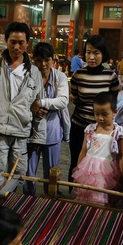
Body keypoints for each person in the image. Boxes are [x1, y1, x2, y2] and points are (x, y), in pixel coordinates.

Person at [0, 22, 42, 189]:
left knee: (17, 174)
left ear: (28, 43)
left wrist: (37, 135)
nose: (16, 46)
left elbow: (37, 104)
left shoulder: (34, 71)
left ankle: (9, 208)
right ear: (5, 41)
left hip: (21, 131)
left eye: (21, 42)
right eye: (12, 41)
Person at [69, 35, 119, 184]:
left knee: (100, 166)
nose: (91, 57)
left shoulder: (110, 76)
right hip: (80, 126)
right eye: (88, 52)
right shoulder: (78, 75)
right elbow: (76, 101)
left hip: (101, 131)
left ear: (103, 54)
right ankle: (74, 196)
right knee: (76, 162)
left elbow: (112, 103)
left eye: (96, 53)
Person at [24, 42, 70, 196]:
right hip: (31, 130)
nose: (43, 64)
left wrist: (41, 103)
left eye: (47, 60)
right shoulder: (28, 76)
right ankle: (28, 201)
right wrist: (33, 109)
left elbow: (63, 100)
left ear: (53, 60)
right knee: (28, 172)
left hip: (52, 130)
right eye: (38, 60)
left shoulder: (60, 77)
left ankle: (50, 203)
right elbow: (22, 100)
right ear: (33, 59)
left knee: (51, 171)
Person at [72, 92, 123, 205]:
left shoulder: (118, 132)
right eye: (97, 114)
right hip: (87, 170)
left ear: (114, 112)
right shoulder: (90, 129)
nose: (100, 118)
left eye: (105, 114)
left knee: (101, 199)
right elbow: (83, 151)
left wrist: (121, 176)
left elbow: (122, 156)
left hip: (107, 172)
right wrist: (78, 171)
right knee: (85, 197)